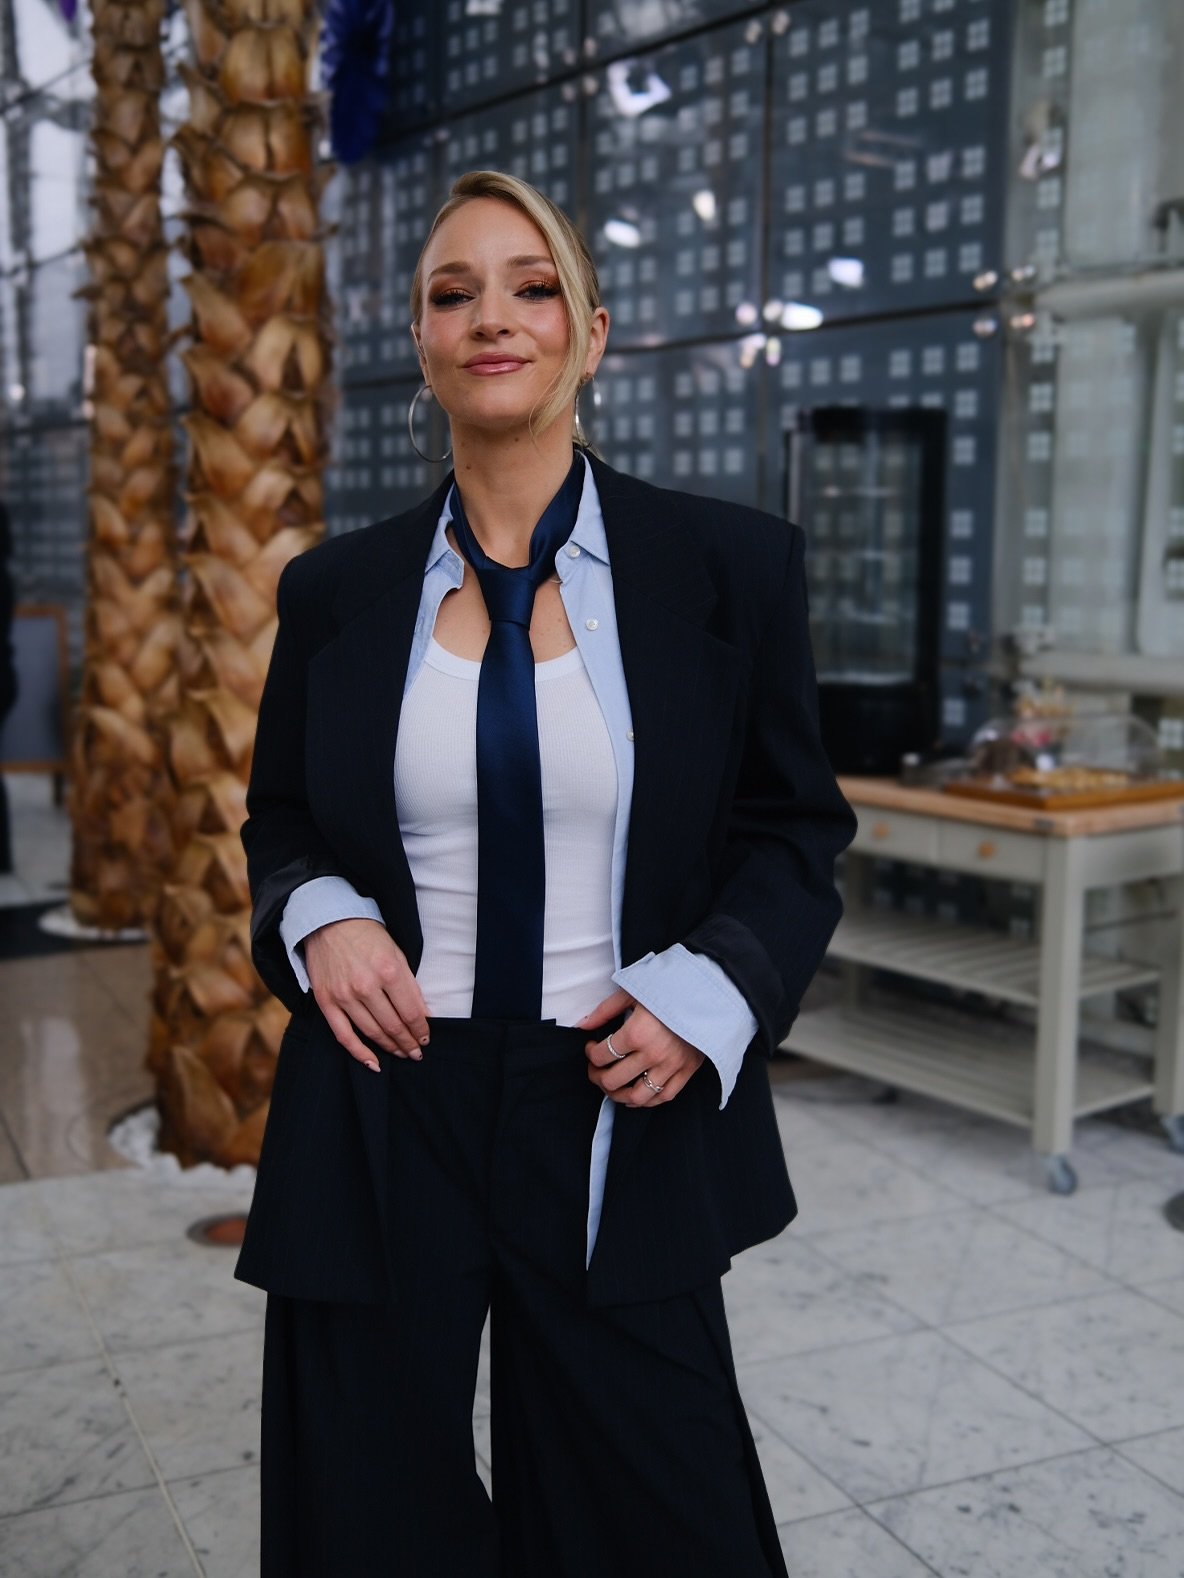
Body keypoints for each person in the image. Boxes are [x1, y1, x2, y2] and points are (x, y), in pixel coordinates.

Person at [236, 169, 856, 1578]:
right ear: (422, 340)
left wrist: (710, 993)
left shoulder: (729, 568)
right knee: (365, 1513)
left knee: (660, 1507)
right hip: (385, 1089)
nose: (493, 318)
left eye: (533, 287)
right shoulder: (334, 592)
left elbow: (794, 829)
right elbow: (283, 819)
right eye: (453, 293)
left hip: (617, 1084)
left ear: (592, 331)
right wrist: (320, 917)